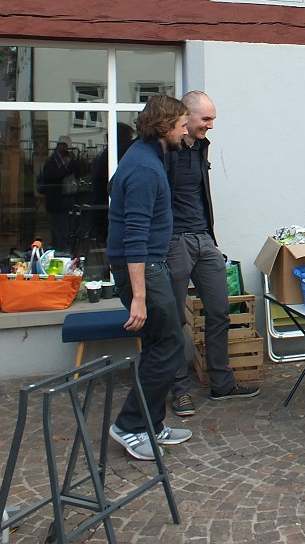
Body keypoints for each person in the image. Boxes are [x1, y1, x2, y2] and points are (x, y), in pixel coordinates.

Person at [106, 94, 193, 461]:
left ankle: (151, 424)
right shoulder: (144, 167)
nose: (186, 131)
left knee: (162, 343)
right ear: (164, 127)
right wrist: (139, 296)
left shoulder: (144, 156)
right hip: (145, 268)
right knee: (169, 345)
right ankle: (129, 425)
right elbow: (134, 237)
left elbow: (113, 190)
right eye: (182, 125)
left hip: (150, 266)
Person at [166, 91, 259, 417]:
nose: (211, 125)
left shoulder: (202, 147)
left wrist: (209, 238)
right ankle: (179, 391)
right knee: (175, 318)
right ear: (186, 117)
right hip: (173, 241)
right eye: (206, 119)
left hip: (204, 239)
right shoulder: (167, 149)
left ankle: (222, 383)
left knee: (219, 310)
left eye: (213, 119)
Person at [38, 135, 79, 252]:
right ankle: (58, 246)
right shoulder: (51, 161)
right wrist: (68, 167)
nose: (66, 150)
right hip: (56, 199)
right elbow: (54, 175)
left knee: (64, 224)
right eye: (64, 147)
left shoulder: (65, 160)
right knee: (58, 225)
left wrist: (74, 161)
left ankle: (62, 245)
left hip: (65, 197)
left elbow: (77, 171)